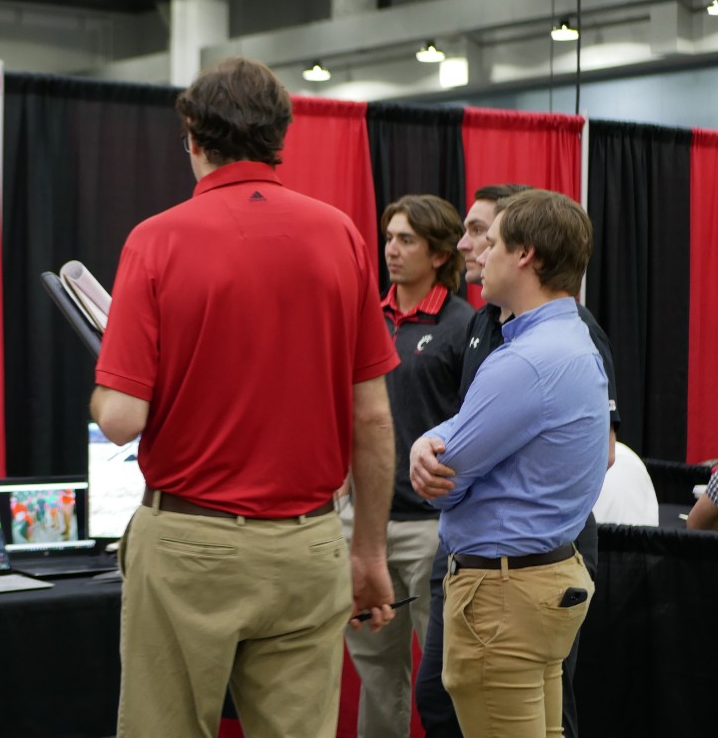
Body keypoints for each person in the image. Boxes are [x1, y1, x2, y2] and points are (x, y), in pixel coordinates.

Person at [89, 56, 400, 738]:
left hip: (189, 545)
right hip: (309, 542)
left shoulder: (156, 241)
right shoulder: (340, 235)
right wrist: (370, 553)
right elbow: (372, 416)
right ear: (280, 135)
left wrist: (105, 376)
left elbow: (119, 421)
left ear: (194, 138)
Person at [412, 184, 620, 738]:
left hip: (503, 597)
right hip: (544, 577)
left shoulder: (526, 361)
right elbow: (467, 432)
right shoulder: (570, 338)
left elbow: (444, 482)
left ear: (526, 255)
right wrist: (430, 441)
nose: (476, 251)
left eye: (493, 240)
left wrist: (429, 457)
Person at [344, 195, 472, 738]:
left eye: (407, 240)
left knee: (446, 675)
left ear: (441, 253)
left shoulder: (465, 326)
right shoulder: (366, 318)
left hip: (430, 527)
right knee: (375, 673)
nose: (391, 251)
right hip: (362, 524)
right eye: (389, 238)